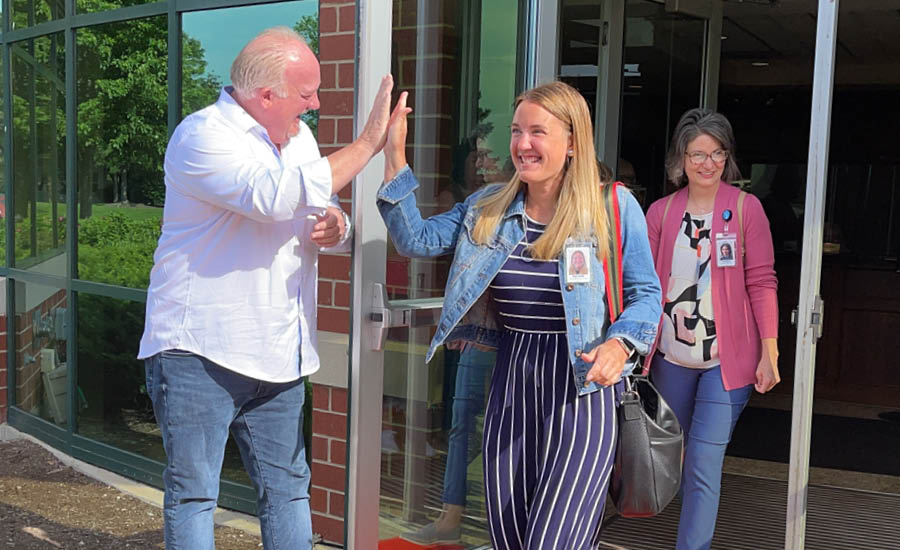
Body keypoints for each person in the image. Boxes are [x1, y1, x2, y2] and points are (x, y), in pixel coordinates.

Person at [137, 27, 401, 550]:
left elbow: (313, 211)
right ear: (266, 96)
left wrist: (337, 227)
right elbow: (271, 199)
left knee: (289, 493)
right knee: (194, 497)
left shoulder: (299, 139)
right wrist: (368, 144)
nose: (316, 104)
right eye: (307, 95)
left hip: (280, 354)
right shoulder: (202, 135)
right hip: (200, 351)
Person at [378, 81, 662, 549]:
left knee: (554, 540)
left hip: (582, 389)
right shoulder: (488, 206)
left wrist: (620, 343)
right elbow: (417, 240)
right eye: (516, 131)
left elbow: (646, 294)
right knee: (509, 537)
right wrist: (394, 157)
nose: (522, 144)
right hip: (511, 384)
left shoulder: (611, 206)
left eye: (537, 132)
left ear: (573, 143)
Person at [644, 108, 780, 550]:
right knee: (672, 459)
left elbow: (761, 283)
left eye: (717, 153)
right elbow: (642, 285)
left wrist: (770, 351)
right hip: (671, 360)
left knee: (704, 461)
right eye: (697, 154)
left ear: (728, 157)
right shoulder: (661, 213)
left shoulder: (746, 210)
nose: (707, 163)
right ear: (680, 159)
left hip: (726, 363)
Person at [403, 346, 495, 544]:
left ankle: (455, 518)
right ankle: (449, 516)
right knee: (460, 426)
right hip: (478, 336)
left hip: (510, 338)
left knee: (491, 431)